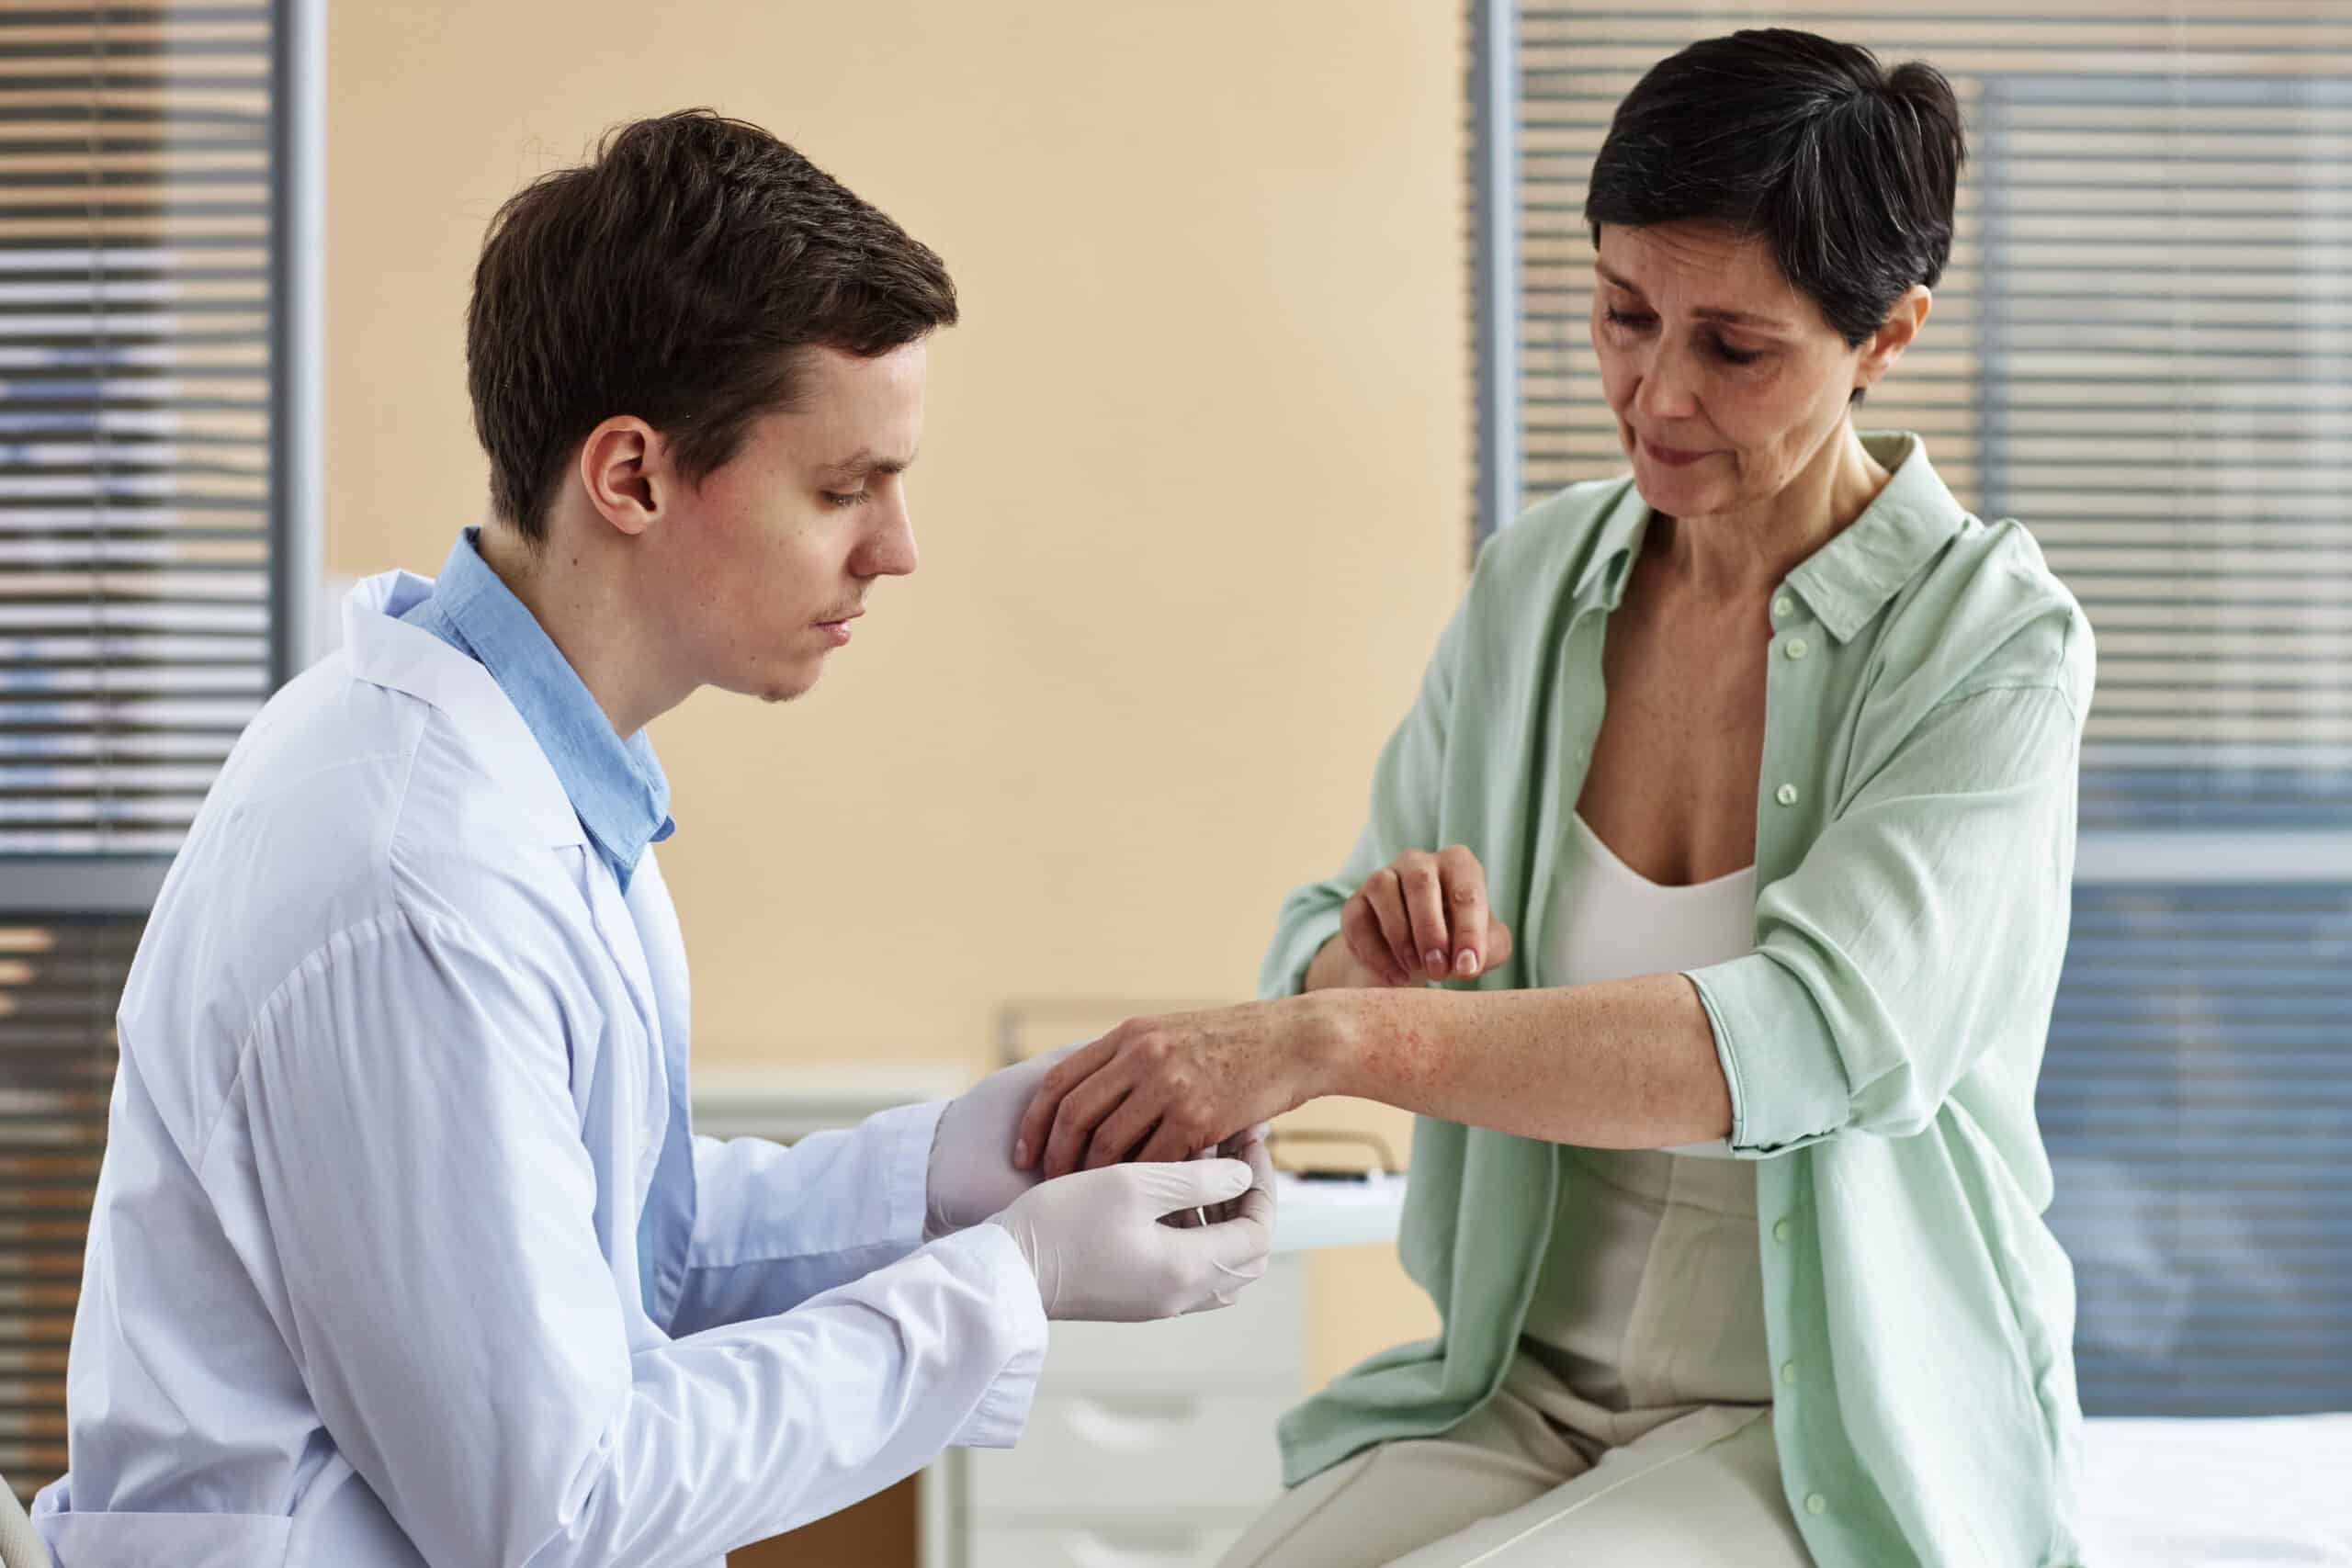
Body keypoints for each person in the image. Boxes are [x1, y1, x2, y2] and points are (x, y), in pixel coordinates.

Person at [32, 110, 1273, 1568]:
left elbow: (625, 1249)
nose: (898, 548)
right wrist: (1009, 1282)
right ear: (630, 476)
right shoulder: (412, 873)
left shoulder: (543, 772)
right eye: (842, 487)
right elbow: (554, 1509)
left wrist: (964, 1168)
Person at [1017, 30, 2092, 1568]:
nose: (1653, 394)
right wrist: (1358, 965)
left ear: (1884, 335)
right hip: (1519, 1388)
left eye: (1734, 348)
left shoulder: (1992, 642)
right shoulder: (1538, 585)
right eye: (1621, 313)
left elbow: (1826, 1036)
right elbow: (1320, 942)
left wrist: (1343, 1036)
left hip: (1819, 1422)